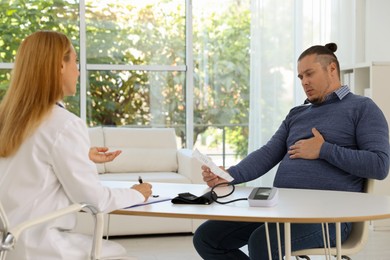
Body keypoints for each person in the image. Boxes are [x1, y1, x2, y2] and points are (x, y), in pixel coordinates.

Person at [193, 43, 390, 260]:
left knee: (262, 241)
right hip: (281, 209)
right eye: (300, 77)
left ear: (332, 69)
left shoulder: (363, 108)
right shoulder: (297, 113)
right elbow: (268, 153)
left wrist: (324, 150)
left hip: (331, 217)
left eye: (309, 74)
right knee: (206, 237)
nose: (304, 82)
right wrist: (228, 176)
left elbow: (379, 165)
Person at [0, 30, 152, 259]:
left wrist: (80, 154)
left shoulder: (8, 118)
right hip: (41, 247)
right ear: (60, 66)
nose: (78, 71)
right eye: (76, 61)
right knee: (117, 252)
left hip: (8, 244)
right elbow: (95, 200)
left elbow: (30, 160)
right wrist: (137, 194)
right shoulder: (64, 124)